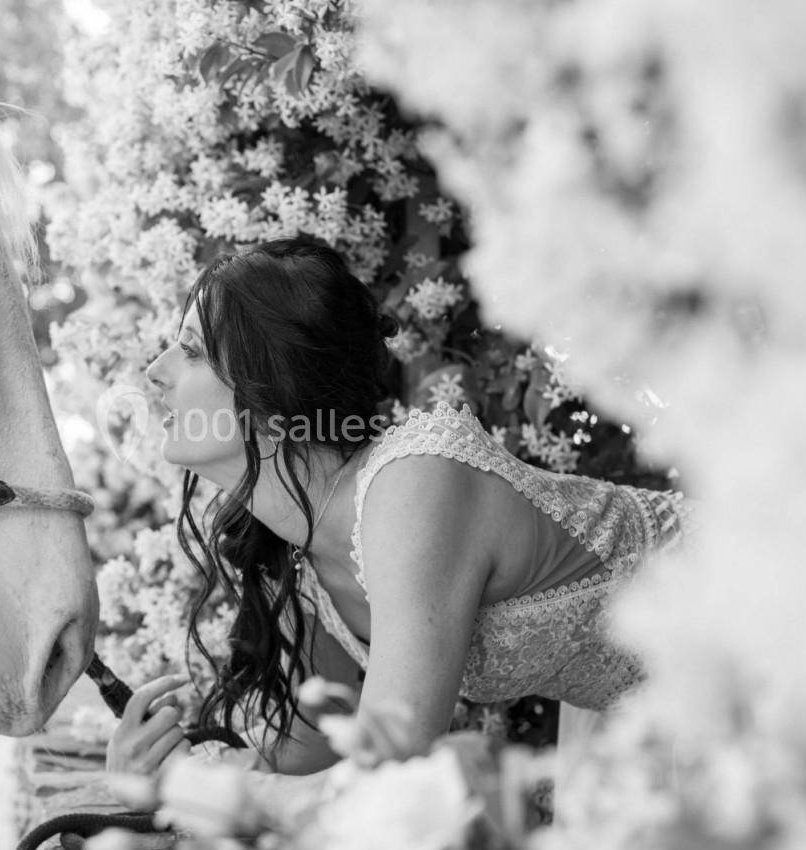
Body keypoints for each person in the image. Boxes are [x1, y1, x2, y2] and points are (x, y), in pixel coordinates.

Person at [105, 238, 690, 796]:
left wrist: (202, 789)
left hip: (749, 609)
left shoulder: (413, 483)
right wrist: (164, 766)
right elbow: (313, 755)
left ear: (273, 391)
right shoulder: (300, 555)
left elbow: (389, 772)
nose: (154, 372)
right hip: (664, 710)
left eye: (191, 351)